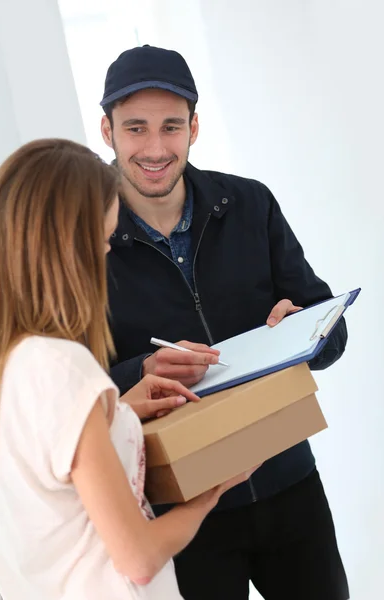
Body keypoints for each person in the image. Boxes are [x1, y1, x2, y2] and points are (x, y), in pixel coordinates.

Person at [0, 138, 256, 600]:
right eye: (103, 241)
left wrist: (117, 411)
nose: (105, 259)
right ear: (68, 247)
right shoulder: (58, 367)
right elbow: (139, 560)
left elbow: (36, 464)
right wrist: (214, 490)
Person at [101, 45, 350, 600]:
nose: (156, 148)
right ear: (107, 131)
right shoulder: (83, 238)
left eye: (171, 127)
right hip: (181, 507)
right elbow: (72, 391)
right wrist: (139, 372)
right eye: (136, 128)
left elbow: (330, 329)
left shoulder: (250, 203)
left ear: (194, 127)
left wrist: (305, 334)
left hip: (288, 478)